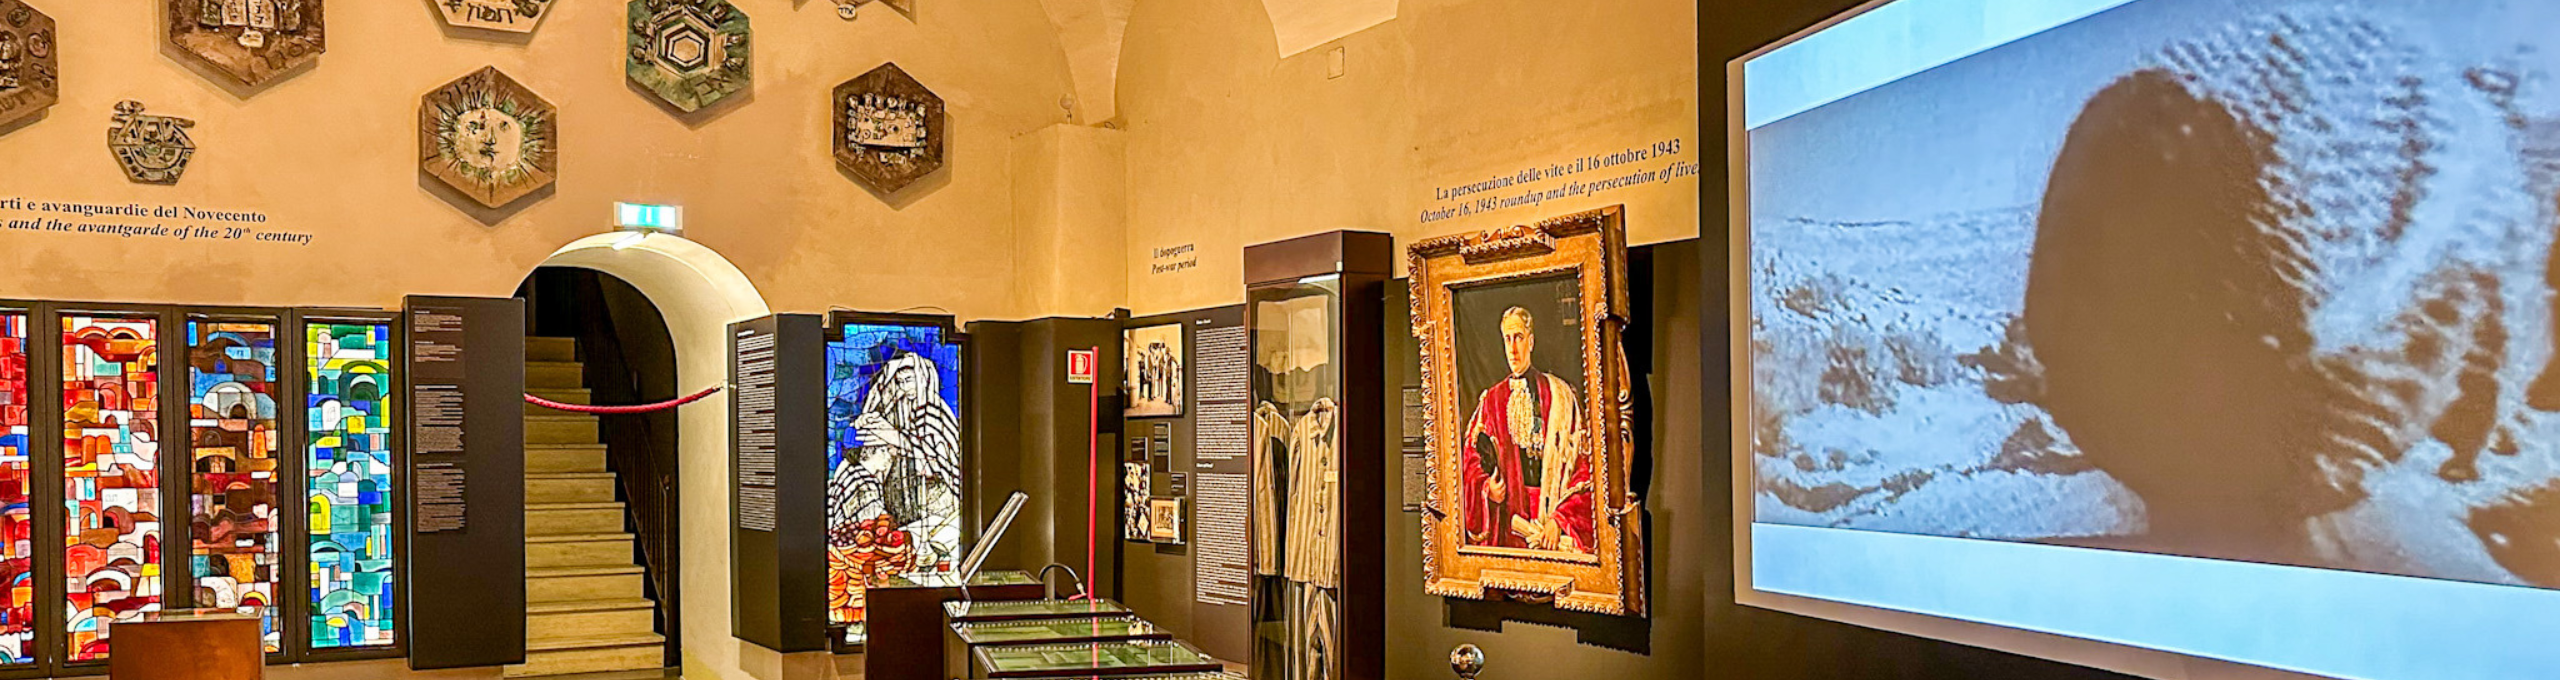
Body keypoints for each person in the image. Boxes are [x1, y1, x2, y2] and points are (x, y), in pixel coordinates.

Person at [1459, 306, 1593, 552]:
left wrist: (1559, 519)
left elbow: (1585, 465)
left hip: (1553, 522)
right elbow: (1469, 459)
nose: (1513, 348)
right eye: (1507, 339)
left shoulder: (1561, 394)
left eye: (1518, 337)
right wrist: (1487, 488)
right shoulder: (1491, 400)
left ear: (1530, 342)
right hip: (1509, 524)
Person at [835, 351, 964, 567]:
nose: (905, 387)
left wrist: (895, 437)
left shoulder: (935, 412)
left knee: (940, 538)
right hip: (907, 490)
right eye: (900, 382)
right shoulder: (902, 408)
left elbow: (944, 455)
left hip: (937, 492)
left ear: (923, 378)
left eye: (909, 380)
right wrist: (872, 423)